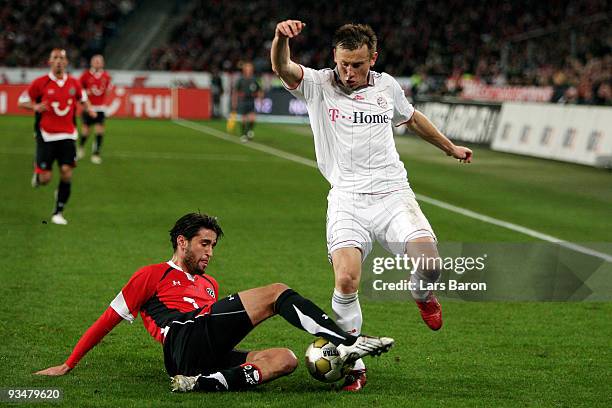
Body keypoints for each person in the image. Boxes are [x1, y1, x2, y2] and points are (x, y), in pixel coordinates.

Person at [271, 21, 473, 391]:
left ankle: (421, 293)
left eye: (358, 65)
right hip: (346, 199)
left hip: (392, 194)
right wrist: (281, 39)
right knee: (346, 279)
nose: (349, 72)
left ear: (372, 59)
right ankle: (353, 361)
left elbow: (411, 119)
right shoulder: (318, 85)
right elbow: (283, 68)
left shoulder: (387, 86)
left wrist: (450, 148)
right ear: (335, 56)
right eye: (344, 63)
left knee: (430, 265)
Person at [35, 213, 394, 393]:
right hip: (179, 337)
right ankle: (346, 341)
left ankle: (199, 384)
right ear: (182, 242)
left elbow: (218, 328)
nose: (209, 252)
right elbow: (107, 319)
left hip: (195, 357)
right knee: (277, 292)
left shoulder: (209, 285)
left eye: (213, 246)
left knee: (284, 359)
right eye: (204, 244)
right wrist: (68, 365)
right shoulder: (152, 274)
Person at [18, 48, 97, 225]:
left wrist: (89, 109)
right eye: (55, 58)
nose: (59, 61)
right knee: (45, 179)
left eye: (62, 58)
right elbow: (21, 101)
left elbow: (83, 98)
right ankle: (38, 174)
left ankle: (58, 212)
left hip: (68, 135)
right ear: (49, 62)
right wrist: (35, 107)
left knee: (66, 173)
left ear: (67, 62)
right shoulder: (40, 83)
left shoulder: (74, 83)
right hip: (46, 136)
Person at [78, 54, 112, 164]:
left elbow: (108, 89)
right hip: (88, 108)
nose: (97, 63)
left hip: (100, 108)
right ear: (91, 63)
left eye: (99, 61)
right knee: (85, 131)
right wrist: (85, 94)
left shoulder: (106, 76)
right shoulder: (85, 75)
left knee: (99, 130)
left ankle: (96, 153)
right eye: (95, 61)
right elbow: (79, 88)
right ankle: (81, 147)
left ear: (103, 63)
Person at [233, 61, 262, 142]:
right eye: (247, 69)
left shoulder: (254, 79)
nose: (249, 70)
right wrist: (234, 102)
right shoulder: (241, 80)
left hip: (251, 101)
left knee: (252, 119)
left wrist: (259, 98)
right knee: (244, 119)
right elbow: (236, 92)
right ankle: (243, 134)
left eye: (250, 69)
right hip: (243, 101)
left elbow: (259, 90)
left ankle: (249, 131)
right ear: (244, 70)